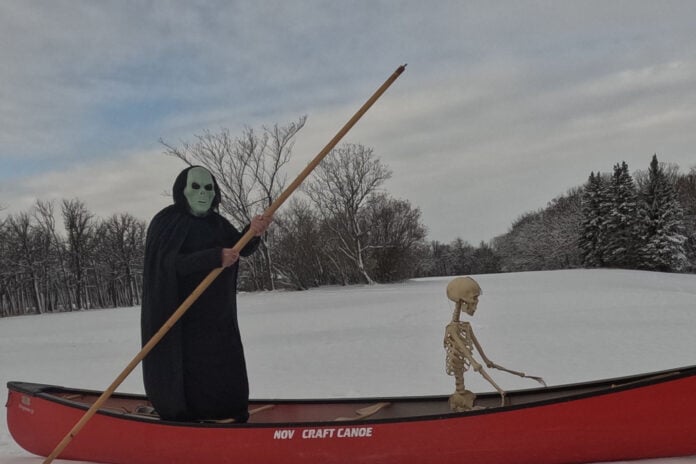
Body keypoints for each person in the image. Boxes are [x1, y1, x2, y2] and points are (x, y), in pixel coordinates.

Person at [141, 165, 272, 422]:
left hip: (217, 317)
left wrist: (252, 231)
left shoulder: (217, 223)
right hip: (181, 318)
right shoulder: (167, 222)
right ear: (183, 191)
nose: (203, 193)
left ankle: (225, 413)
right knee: (190, 371)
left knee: (223, 366)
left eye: (209, 187)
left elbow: (238, 248)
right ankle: (188, 418)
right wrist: (213, 257)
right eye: (196, 187)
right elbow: (168, 264)